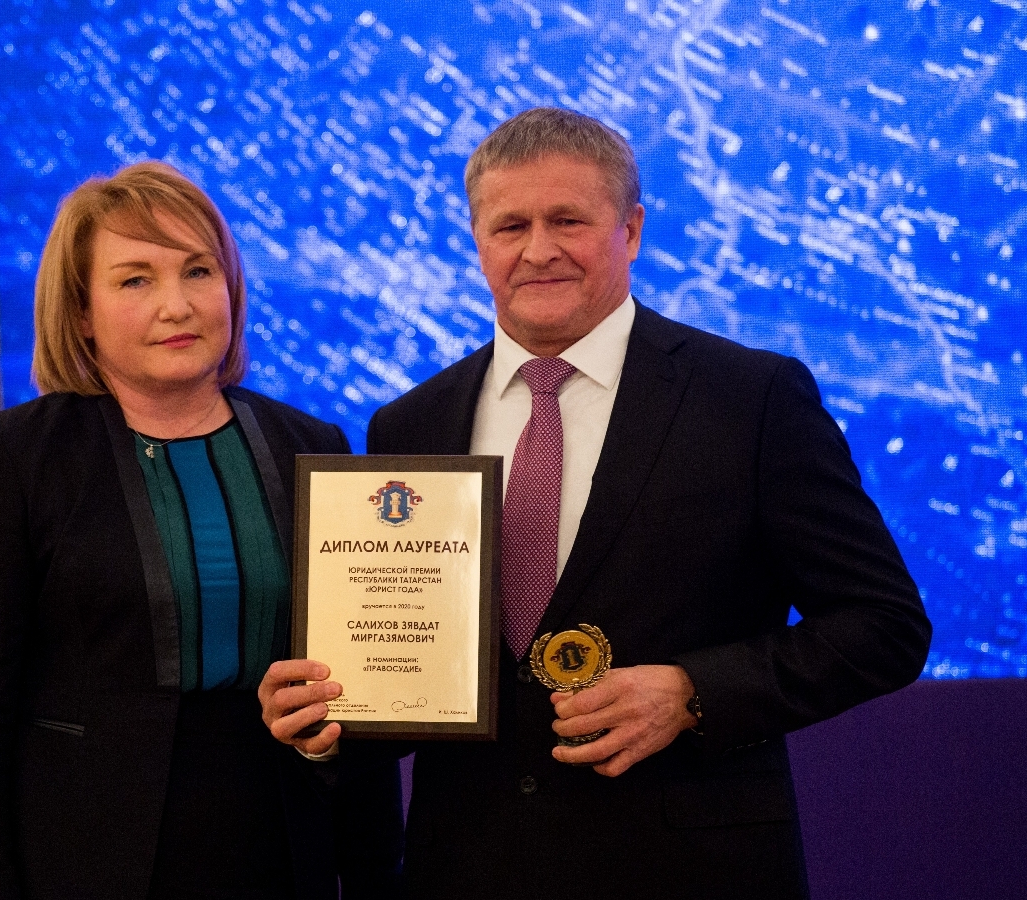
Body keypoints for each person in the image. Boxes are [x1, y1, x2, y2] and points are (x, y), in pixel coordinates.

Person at [260, 108, 931, 898]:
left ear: (631, 230)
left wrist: (693, 693)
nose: (538, 249)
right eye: (511, 226)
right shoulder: (412, 423)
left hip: (688, 874)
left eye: (568, 220)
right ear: (477, 241)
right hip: (470, 870)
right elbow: (420, 675)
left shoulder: (751, 400)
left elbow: (885, 625)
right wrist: (325, 723)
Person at [0, 161, 403, 900]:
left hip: (281, 846)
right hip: (85, 860)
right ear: (81, 313)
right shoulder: (13, 458)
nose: (176, 305)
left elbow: (354, 687)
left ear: (231, 288)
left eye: (198, 271)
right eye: (135, 280)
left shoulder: (312, 446)